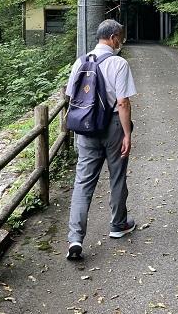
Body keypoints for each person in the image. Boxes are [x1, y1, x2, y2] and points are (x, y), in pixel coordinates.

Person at [65, 19, 137, 260]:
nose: (121, 42)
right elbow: (123, 102)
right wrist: (127, 133)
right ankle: (118, 225)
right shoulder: (119, 63)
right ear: (114, 37)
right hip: (113, 125)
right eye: (121, 37)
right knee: (117, 176)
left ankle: (75, 238)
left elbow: (71, 97)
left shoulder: (80, 62)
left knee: (83, 182)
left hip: (86, 127)